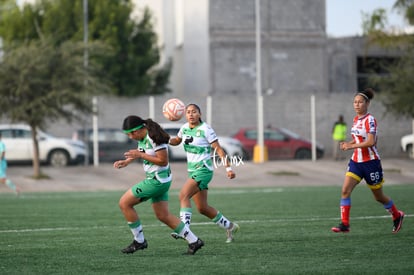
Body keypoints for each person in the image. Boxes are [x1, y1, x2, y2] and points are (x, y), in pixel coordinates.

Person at [113, 115, 204, 255]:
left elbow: (163, 161)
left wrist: (140, 156)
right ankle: (194, 241)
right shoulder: (143, 137)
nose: (130, 137)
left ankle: (139, 241)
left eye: (131, 133)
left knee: (124, 203)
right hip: (161, 180)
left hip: (156, 181)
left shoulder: (154, 137)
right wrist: (127, 161)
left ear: (139, 129)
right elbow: (142, 152)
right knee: (163, 215)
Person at [331, 88, 404, 234]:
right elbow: (359, 138)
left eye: (360, 102)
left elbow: (370, 142)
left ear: (367, 104)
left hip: (371, 163)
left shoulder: (370, 120)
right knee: (345, 190)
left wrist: (351, 146)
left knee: (379, 197)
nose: (357, 105)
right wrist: (349, 144)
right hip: (356, 162)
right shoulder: (355, 119)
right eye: (355, 102)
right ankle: (345, 224)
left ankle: (397, 215)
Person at [169, 103, 240, 243]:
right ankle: (230, 226)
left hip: (204, 170)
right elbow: (176, 141)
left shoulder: (206, 129)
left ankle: (184, 229)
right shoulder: (184, 128)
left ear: (200, 114)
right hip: (193, 171)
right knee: (202, 208)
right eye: (188, 112)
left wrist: (228, 168)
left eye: (194, 111)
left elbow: (219, 150)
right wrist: (163, 138)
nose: (191, 114)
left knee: (183, 195)